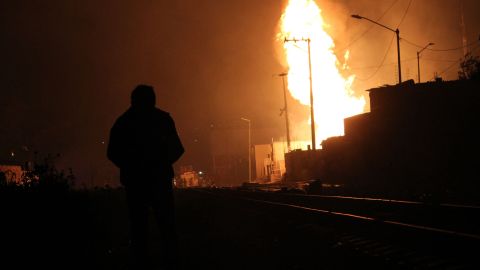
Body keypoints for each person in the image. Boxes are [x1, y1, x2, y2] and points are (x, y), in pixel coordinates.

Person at [107, 84, 184, 269]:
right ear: (153, 100)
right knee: (166, 226)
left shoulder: (123, 122)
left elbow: (112, 152)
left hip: (135, 183)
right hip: (159, 181)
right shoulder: (163, 120)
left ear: (133, 101)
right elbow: (178, 148)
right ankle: (171, 261)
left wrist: (130, 166)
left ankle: (140, 261)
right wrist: (162, 163)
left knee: (138, 227)